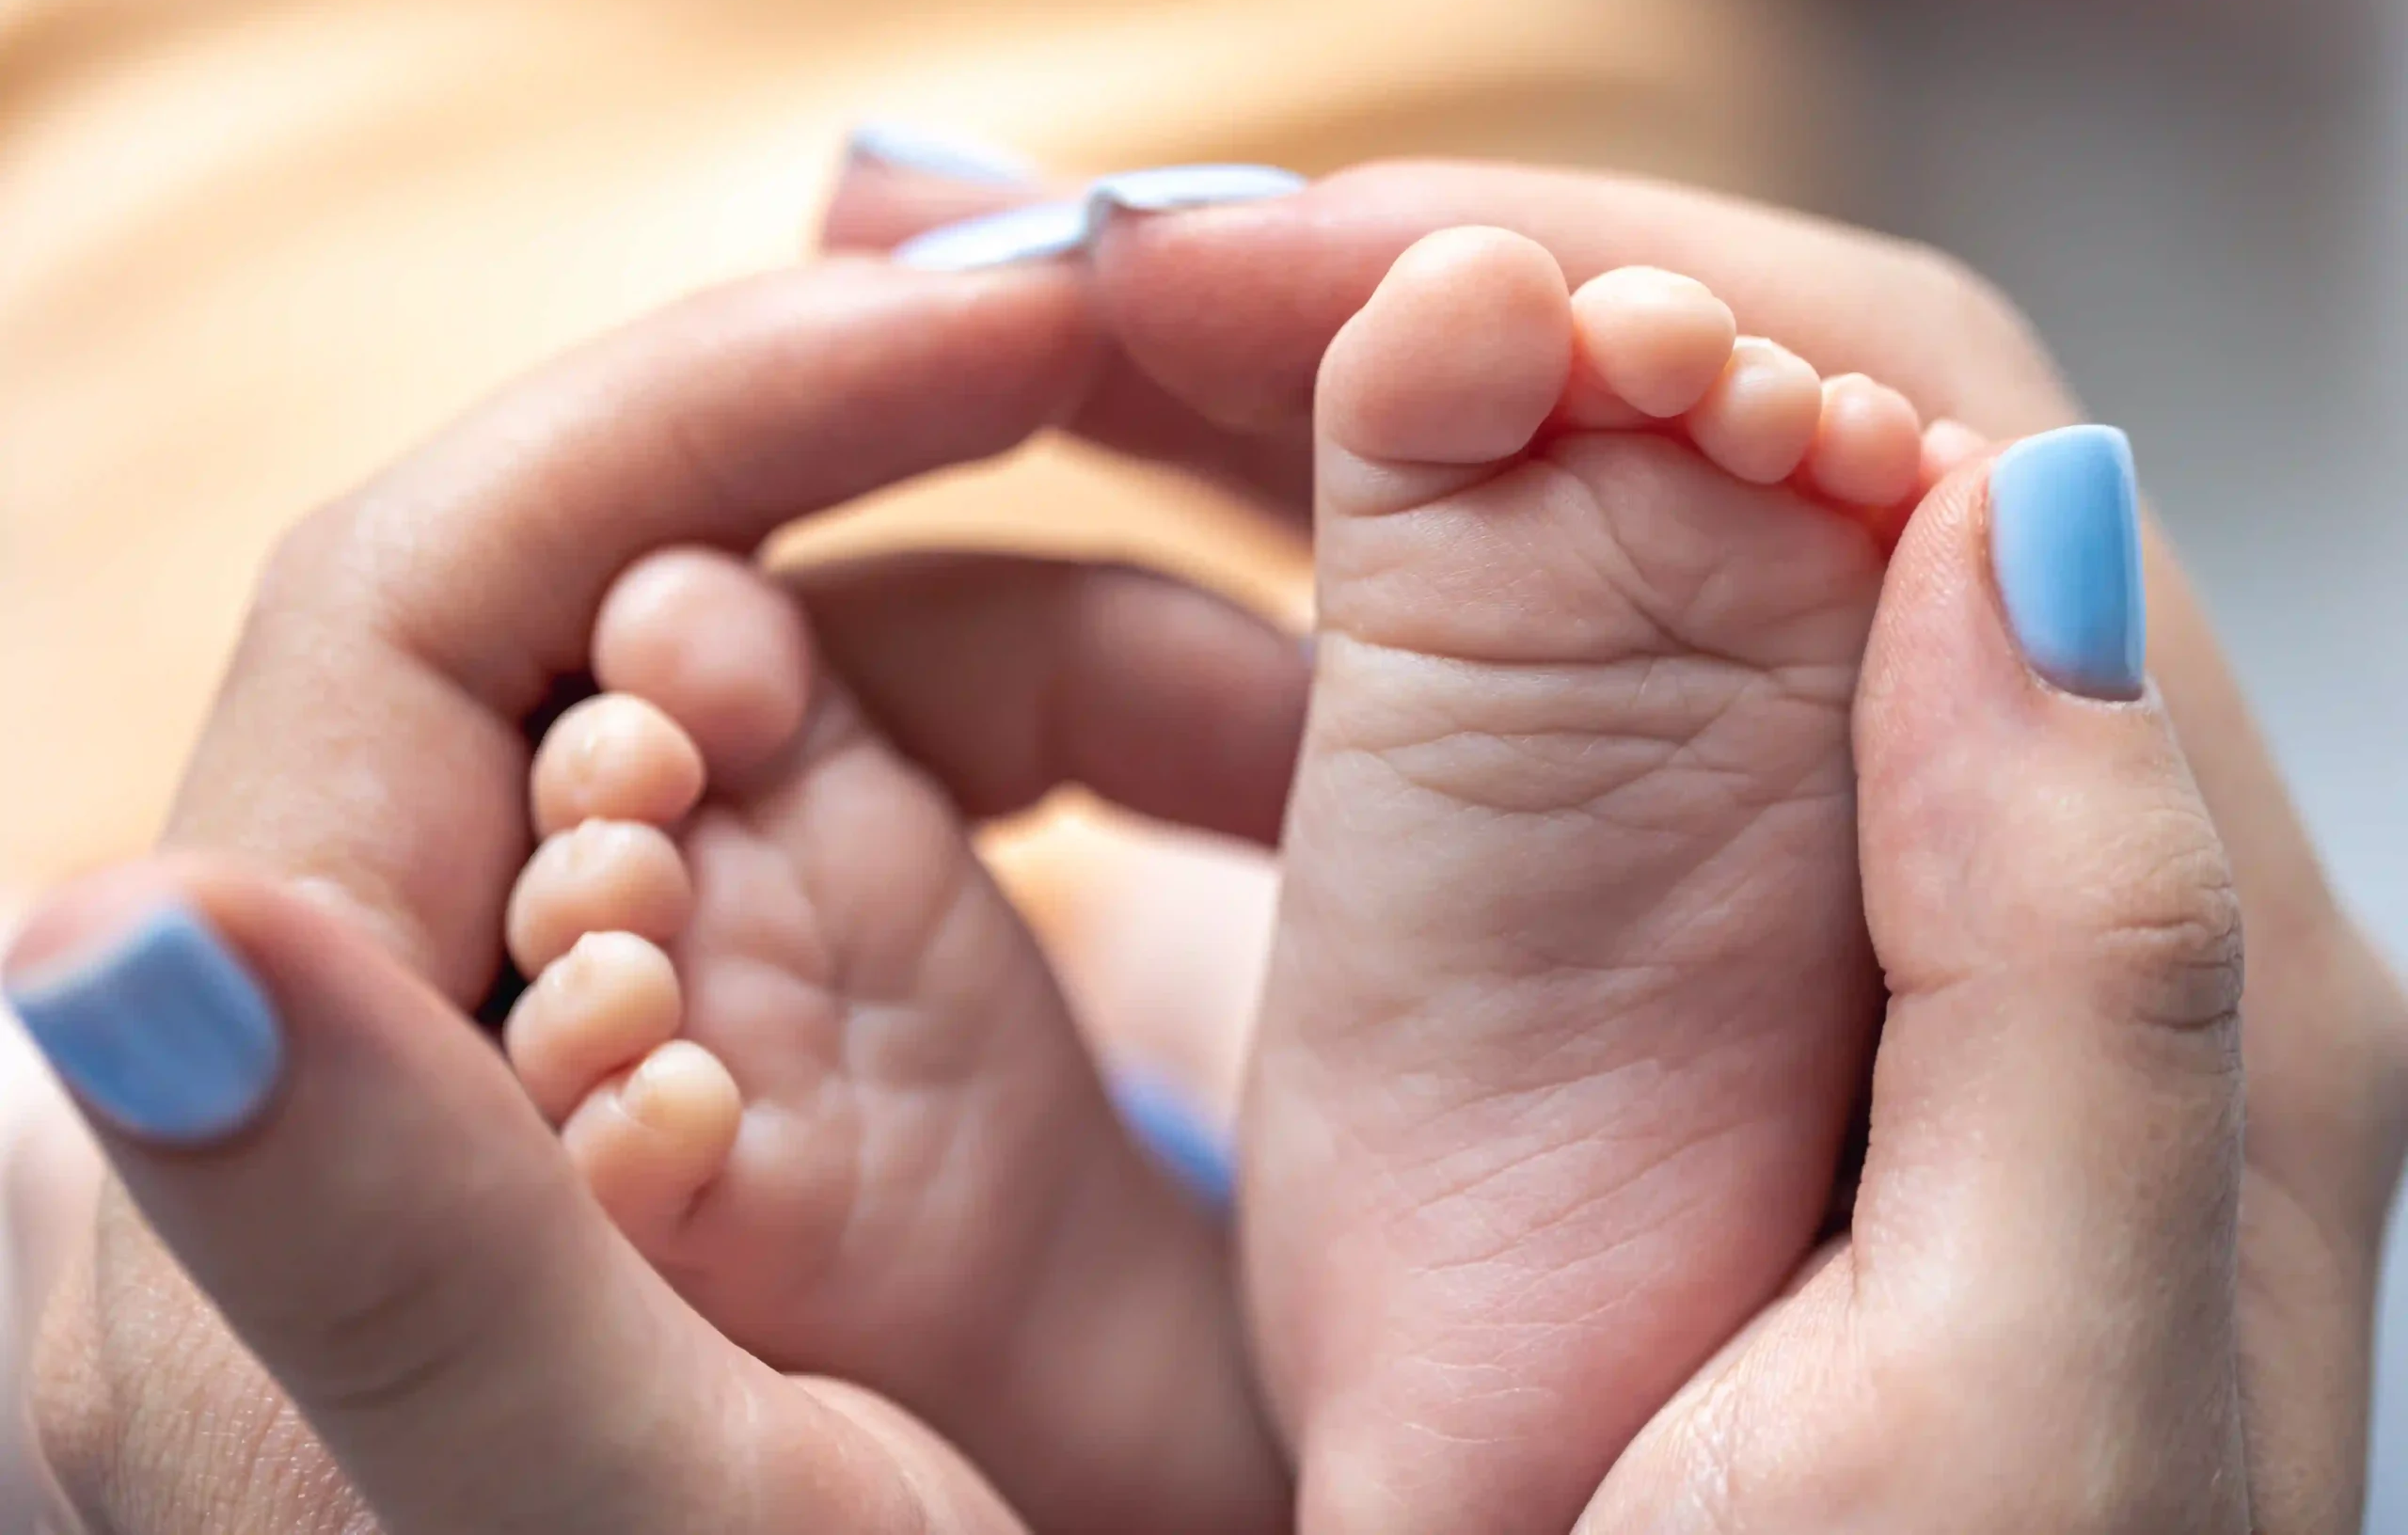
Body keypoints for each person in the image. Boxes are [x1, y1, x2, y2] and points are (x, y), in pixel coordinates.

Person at [6, 158, 2401, 1533]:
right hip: (1360, 266)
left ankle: (1190, 1298)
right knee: (1249, 755)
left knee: (183, 1135)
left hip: (228, 377)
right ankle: (1239, 1319)